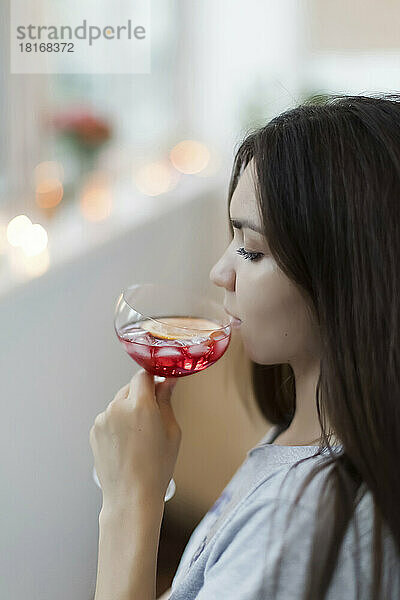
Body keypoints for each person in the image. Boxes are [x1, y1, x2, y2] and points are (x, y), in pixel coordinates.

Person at [90, 94, 400, 600]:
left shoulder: (296, 522)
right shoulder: (306, 449)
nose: (220, 273)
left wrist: (129, 504)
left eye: (251, 250)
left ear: (350, 278)